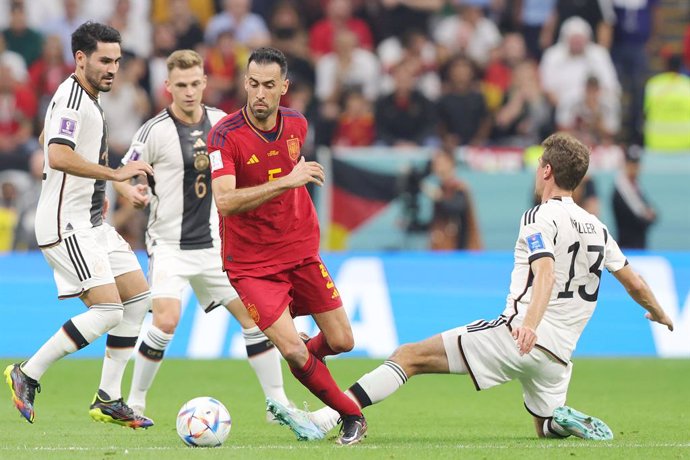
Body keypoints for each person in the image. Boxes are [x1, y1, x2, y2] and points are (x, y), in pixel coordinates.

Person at [268, 132, 675, 443]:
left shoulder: (538, 216)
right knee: (542, 425)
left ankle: (323, 421)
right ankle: (560, 420)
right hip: (559, 357)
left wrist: (529, 324)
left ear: (547, 170)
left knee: (408, 356)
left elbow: (546, 273)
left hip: (519, 337)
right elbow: (634, 281)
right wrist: (658, 312)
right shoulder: (597, 227)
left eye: (539, 165)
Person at [114, 49, 291, 420]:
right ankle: (136, 402)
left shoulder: (223, 124)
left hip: (216, 245)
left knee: (255, 318)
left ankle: (277, 403)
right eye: (181, 85)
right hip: (170, 246)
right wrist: (131, 190)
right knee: (165, 320)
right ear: (168, 87)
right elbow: (125, 171)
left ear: (205, 83)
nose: (189, 91)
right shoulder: (153, 130)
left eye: (195, 83)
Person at [208, 47, 366, 445]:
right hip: (250, 265)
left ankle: (305, 366)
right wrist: (286, 181)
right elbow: (224, 201)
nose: (259, 94)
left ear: (284, 87)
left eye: (268, 86)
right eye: (253, 84)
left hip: (300, 253)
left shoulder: (297, 124)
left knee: (343, 341)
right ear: (245, 83)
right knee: (294, 351)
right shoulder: (224, 136)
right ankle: (351, 416)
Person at [4, 22, 155, 428]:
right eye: (105, 60)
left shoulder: (83, 97)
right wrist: (116, 175)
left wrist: (110, 188)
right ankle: (27, 373)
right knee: (107, 310)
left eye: (117, 61)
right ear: (81, 59)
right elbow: (56, 154)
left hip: (90, 221)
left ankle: (108, 397)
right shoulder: (73, 99)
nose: (112, 69)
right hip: (65, 226)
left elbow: (44, 138)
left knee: (138, 299)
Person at [612, 145, 656, 249]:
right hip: (627, 246)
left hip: (639, 244)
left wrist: (648, 216)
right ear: (626, 165)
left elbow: (652, 211)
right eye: (632, 164)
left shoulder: (637, 187)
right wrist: (647, 217)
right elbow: (632, 221)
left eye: (636, 164)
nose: (635, 168)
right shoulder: (620, 191)